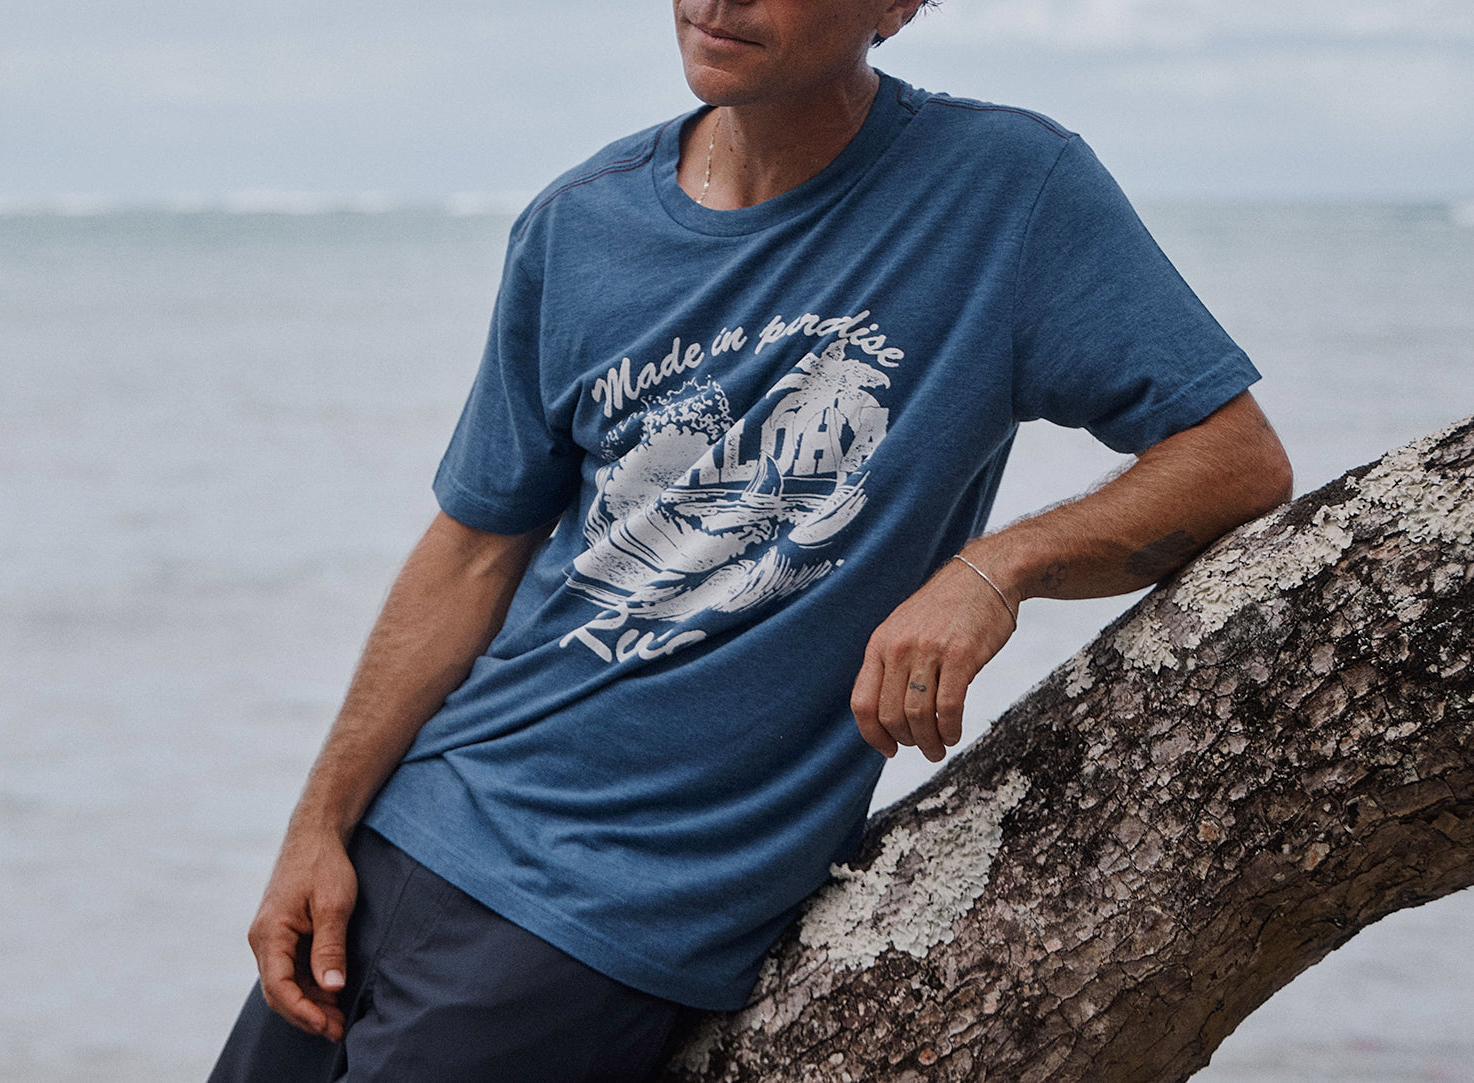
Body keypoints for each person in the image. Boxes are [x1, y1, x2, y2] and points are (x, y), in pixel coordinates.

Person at [209, 0, 1293, 1079]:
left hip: (603, 906)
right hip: (415, 825)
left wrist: (994, 571)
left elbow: (1234, 459)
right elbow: (471, 551)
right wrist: (317, 828)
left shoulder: (1006, 191)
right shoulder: (576, 224)